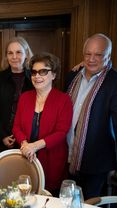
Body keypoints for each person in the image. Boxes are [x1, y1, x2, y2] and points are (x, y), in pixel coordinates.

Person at [66, 33, 117, 199]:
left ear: (108, 56)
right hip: (68, 154)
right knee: (66, 205)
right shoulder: (73, 76)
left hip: (96, 160)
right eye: (88, 54)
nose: (91, 59)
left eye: (98, 55)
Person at [12, 52, 72, 195]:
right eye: (34, 72)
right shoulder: (25, 97)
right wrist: (25, 144)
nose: (37, 76)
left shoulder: (63, 100)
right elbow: (16, 127)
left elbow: (61, 132)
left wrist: (34, 146)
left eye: (43, 71)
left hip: (52, 160)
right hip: (26, 158)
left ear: (53, 75)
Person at [0, 37, 34, 158]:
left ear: (26, 54)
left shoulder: (35, 78)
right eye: (10, 53)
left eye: (18, 52)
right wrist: (2, 135)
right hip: (1, 138)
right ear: (6, 56)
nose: (14, 57)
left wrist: (24, 139)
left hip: (28, 140)